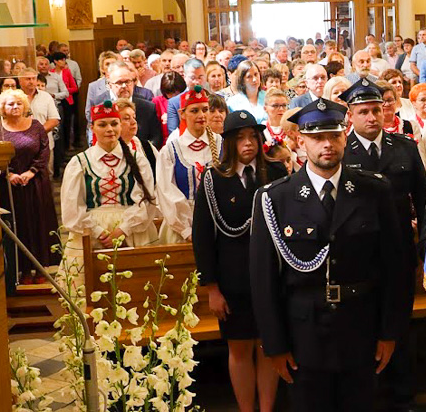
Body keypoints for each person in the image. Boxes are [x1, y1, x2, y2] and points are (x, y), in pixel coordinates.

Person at [249, 98, 407, 412]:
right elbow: (263, 279)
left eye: (334, 136)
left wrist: (390, 332)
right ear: (300, 141)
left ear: (344, 136)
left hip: (361, 327)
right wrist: (275, 344)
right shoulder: (275, 198)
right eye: (317, 138)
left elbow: (395, 266)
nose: (327, 145)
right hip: (303, 334)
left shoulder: (374, 190)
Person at [339, 79, 426, 411]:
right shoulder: (342, 150)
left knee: (399, 327)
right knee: (362, 330)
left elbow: (423, 199)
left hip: (399, 253)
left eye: (377, 109)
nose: (373, 117)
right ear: (351, 116)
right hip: (358, 259)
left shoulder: (404, 147)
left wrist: (423, 254)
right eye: (364, 112)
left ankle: (403, 398)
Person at [193, 110, 286, 412]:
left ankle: (268, 409)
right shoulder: (213, 179)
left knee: (268, 345)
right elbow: (203, 236)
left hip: (272, 277)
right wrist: (212, 288)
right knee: (240, 347)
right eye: (240, 138)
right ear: (229, 143)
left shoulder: (275, 173)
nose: (248, 144)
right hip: (233, 278)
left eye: (253, 137)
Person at [61, 100, 158, 268]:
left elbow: (147, 200)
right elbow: (72, 207)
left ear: (120, 125)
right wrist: (98, 233)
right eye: (102, 124)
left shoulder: (138, 159)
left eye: (114, 123)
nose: (110, 129)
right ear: (92, 128)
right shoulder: (80, 162)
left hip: (133, 232)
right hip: (91, 233)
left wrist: (123, 230)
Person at [0, 90, 58, 284]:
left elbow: (44, 151)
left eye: (18, 104)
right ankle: (23, 270)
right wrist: (9, 174)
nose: (15, 107)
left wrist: (31, 172)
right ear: (2, 107)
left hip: (35, 183)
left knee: (39, 223)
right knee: (19, 225)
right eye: (10, 104)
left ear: (25, 106)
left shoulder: (36, 126)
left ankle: (40, 267)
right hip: (9, 186)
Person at [156, 86, 222, 244]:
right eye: (194, 111)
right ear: (182, 114)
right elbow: (165, 192)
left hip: (217, 224)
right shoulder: (170, 150)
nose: (201, 115)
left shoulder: (222, 144)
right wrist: (186, 230)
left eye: (205, 109)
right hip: (180, 229)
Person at [93, 62, 162, 148]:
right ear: (110, 85)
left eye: (128, 81)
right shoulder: (101, 107)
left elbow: (156, 137)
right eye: (119, 82)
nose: (124, 86)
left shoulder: (148, 107)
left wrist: (143, 152)